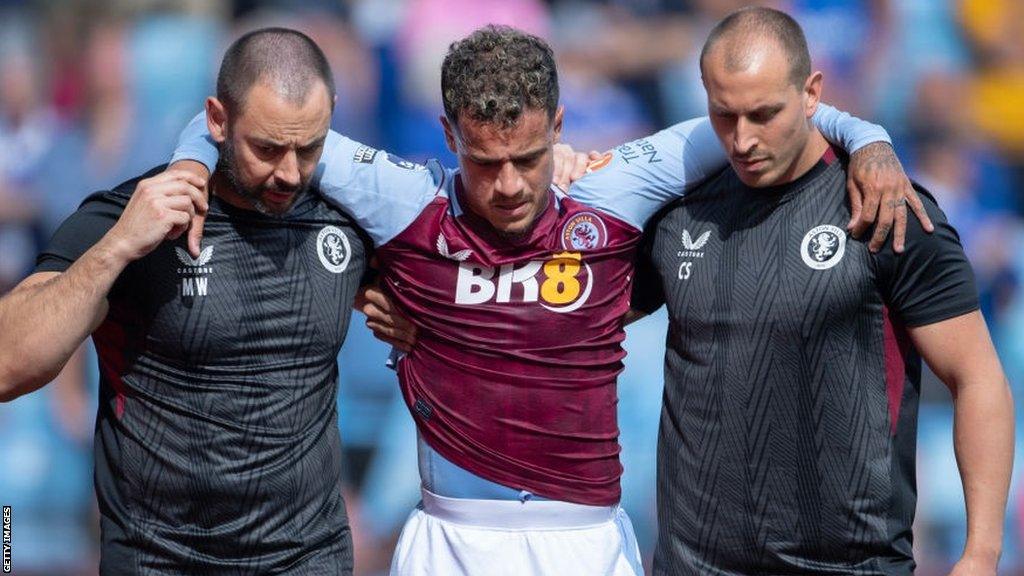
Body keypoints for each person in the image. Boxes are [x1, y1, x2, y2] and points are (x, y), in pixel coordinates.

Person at [170, 24, 929, 575]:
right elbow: (235, 124)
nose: (508, 185)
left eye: (529, 158)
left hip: (586, 541)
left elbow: (774, 110)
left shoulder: (616, 187)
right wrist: (184, 168)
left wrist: (870, 140)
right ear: (447, 136)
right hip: (448, 541)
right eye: (484, 161)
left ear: (559, 127)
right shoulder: (403, 199)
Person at [625, 7, 1014, 574]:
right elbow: (583, 324)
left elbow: (977, 378)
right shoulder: (679, 213)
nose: (743, 139)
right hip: (694, 565)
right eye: (724, 115)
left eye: (764, 114)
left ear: (812, 94)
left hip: (849, 565)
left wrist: (981, 553)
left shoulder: (885, 209)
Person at [0, 28, 371, 574]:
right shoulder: (129, 218)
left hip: (309, 559)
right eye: (267, 149)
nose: (289, 173)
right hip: (158, 559)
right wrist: (115, 251)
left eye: (308, 148)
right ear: (217, 120)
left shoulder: (348, 219)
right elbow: (9, 364)